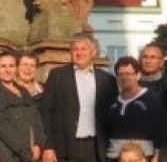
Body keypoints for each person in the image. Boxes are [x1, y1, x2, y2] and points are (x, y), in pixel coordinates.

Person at [41, 33, 117, 162]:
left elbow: (113, 117)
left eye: (83, 49)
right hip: (64, 147)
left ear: (93, 52)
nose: (79, 53)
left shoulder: (107, 80)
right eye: (75, 49)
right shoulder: (58, 76)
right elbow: (46, 112)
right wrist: (47, 146)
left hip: (96, 148)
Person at [0, 52, 45, 162]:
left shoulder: (23, 91)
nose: (8, 70)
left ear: (16, 68)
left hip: (32, 152)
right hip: (9, 154)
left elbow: (36, 120)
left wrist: (38, 144)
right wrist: (25, 152)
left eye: (11, 66)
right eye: (3, 66)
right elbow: (3, 127)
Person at [105, 56, 163, 161]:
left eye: (128, 73)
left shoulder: (151, 98)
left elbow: (159, 128)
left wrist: (157, 154)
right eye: (120, 74)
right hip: (115, 156)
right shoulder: (112, 101)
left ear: (138, 75)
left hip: (142, 156)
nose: (124, 77)